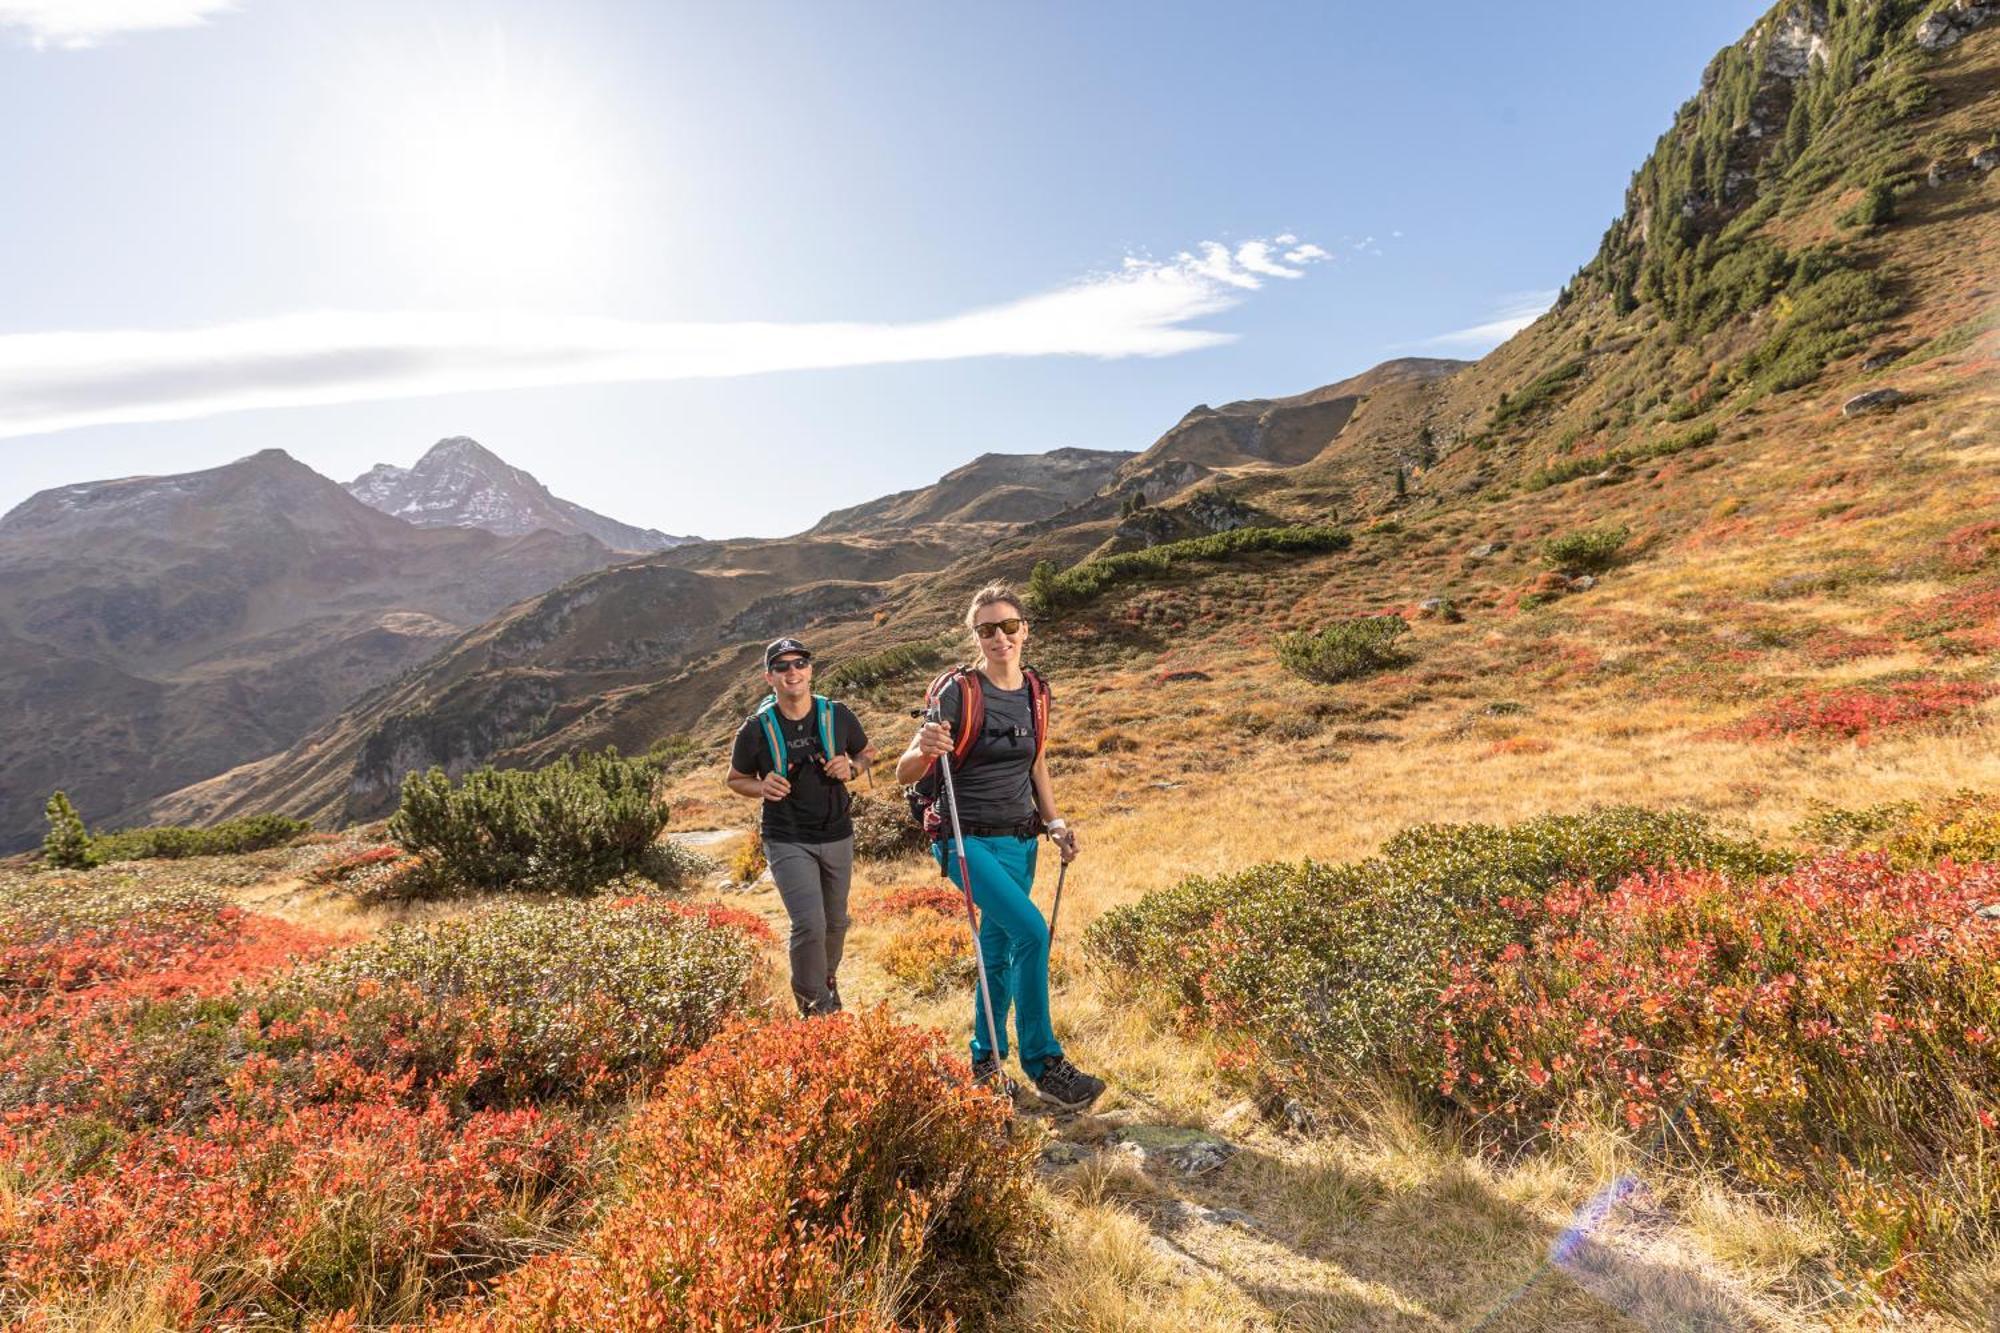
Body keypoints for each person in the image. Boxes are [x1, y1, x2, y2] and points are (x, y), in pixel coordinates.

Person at [895, 584, 1106, 1111]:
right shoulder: (958, 692)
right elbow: (906, 771)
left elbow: (1036, 763)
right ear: (975, 635)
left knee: (999, 949)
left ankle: (985, 1065)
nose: (999, 637)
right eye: (987, 629)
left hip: (1020, 842)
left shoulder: (1036, 692)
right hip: (963, 843)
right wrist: (924, 749)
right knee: (1033, 932)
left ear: (1024, 630)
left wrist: (1054, 823)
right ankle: (1045, 1063)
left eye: (1009, 626)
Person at [727, 636, 871, 1016]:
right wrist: (761, 786)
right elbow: (735, 778)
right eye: (782, 666)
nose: (792, 671)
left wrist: (852, 767)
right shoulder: (755, 729)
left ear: (810, 670)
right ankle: (814, 1008)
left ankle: (826, 981)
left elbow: (866, 751)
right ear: (768, 678)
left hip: (837, 832)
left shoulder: (837, 715)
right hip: (786, 836)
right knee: (809, 923)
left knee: (836, 923)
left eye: (799, 664)